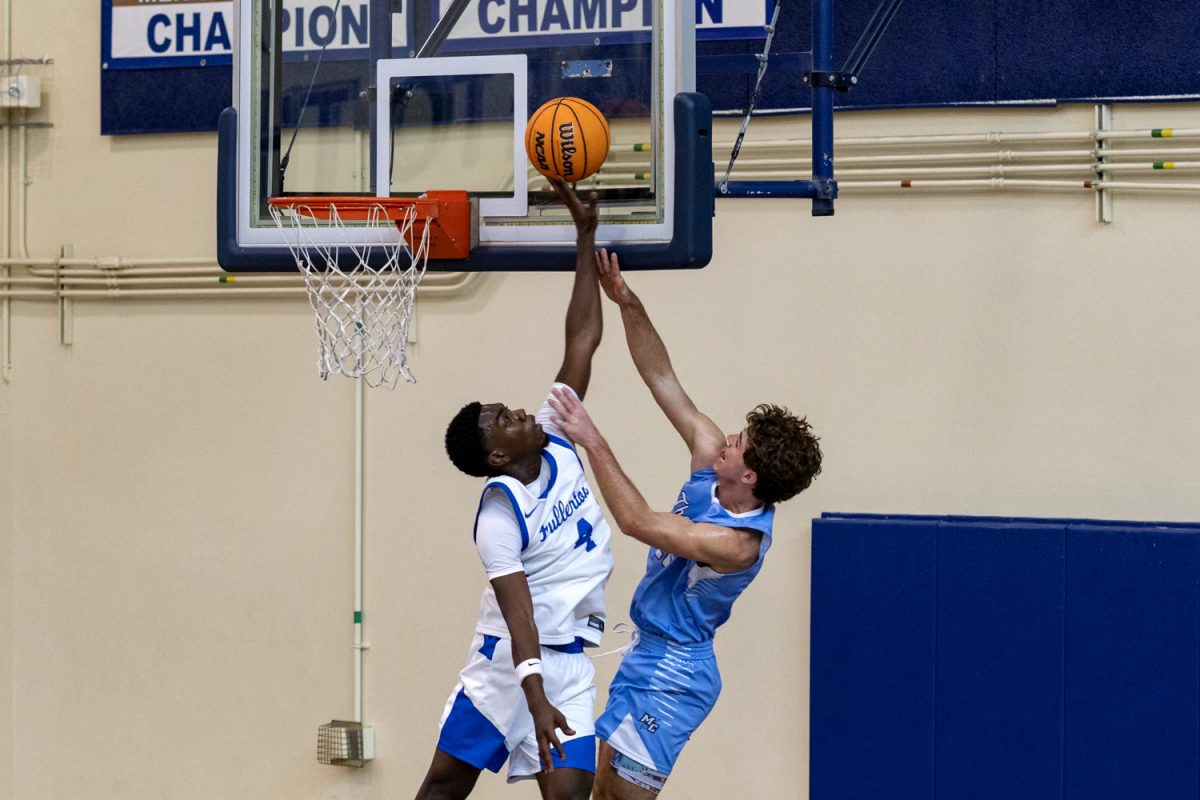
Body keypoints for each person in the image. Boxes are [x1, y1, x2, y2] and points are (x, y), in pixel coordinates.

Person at [548, 249, 823, 799]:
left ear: (748, 475)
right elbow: (661, 377)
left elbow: (635, 520)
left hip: (676, 673)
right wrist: (628, 302)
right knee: (601, 794)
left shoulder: (735, 543)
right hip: (647, 651)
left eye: (736, 444)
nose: (724, 440)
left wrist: (590, 437)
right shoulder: (712, 466)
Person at [414, 182, 613, 800]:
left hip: (570, 658)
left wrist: (585, 236)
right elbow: (518, 609)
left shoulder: (555, 437)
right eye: (504, 418)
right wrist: (533, 697)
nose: (520, 410)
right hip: (509, 664)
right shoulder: (500, 515)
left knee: (569, 797)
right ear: (499, 455)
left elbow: (581, 340)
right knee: (446, 787)